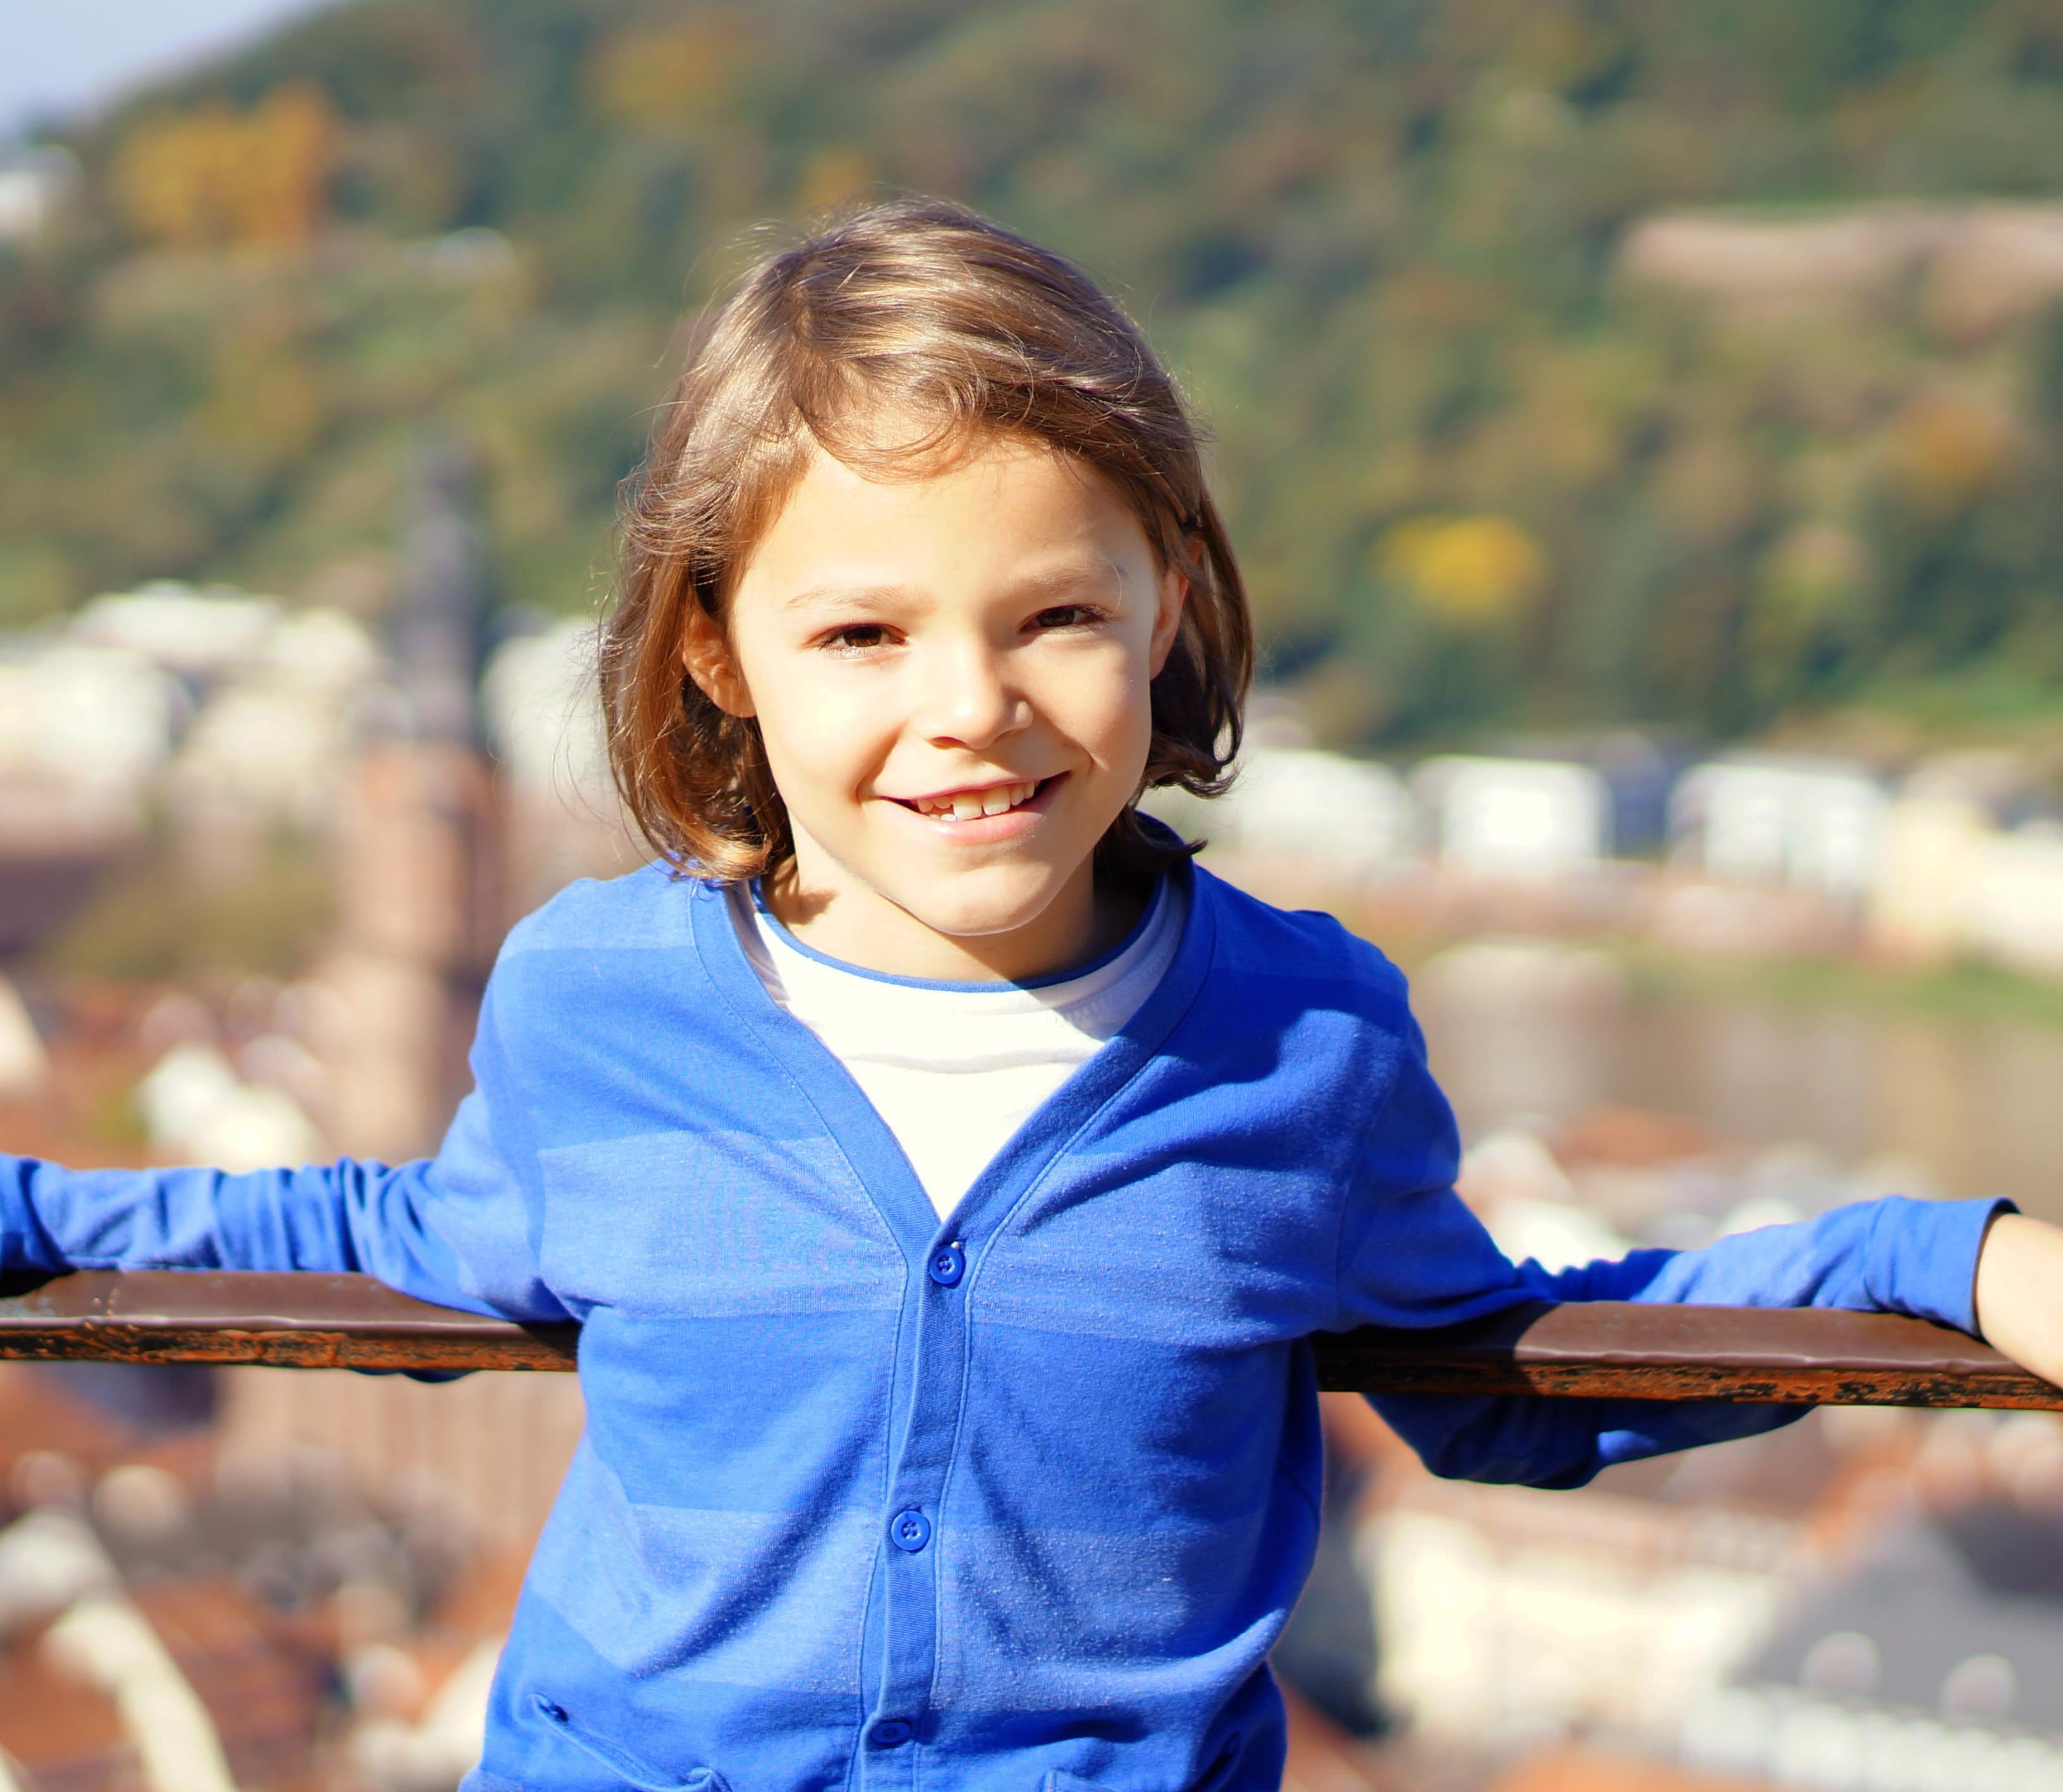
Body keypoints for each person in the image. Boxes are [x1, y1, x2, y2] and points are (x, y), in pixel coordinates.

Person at [4, 199, 2061, 1792]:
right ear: (720, 653)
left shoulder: (1304, 1036)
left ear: (1168, 604)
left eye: (1054, 615)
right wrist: (29, 1219)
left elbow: (1505, 1363)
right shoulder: (597, 998)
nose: (966, 710)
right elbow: (393, 1243)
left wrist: (1935, 1262)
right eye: (865, 634)